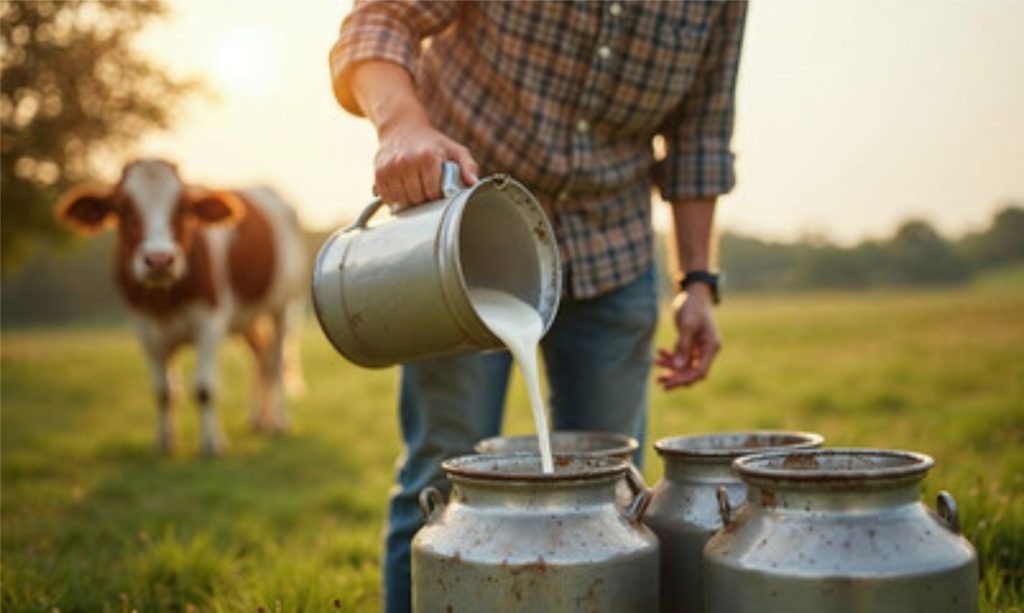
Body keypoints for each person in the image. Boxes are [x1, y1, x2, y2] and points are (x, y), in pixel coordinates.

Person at [329, 2, 747, 610]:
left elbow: (701, 136)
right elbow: (378, 21)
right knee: (442, 488)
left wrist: (698, 283)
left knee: (609, 501)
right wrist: (403, 127)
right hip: (466, 244)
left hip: (611, 248)